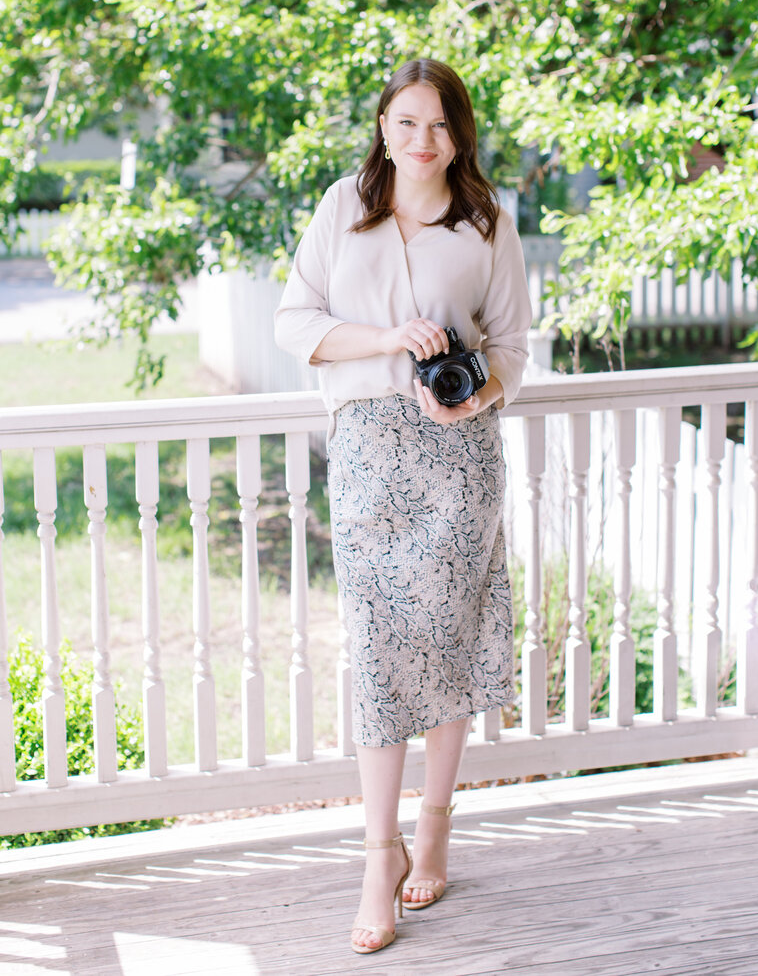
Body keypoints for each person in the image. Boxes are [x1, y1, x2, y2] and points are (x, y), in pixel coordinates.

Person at [274, 58, 532, 954]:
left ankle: (434, 827)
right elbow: (295, 321)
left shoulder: (487, 220)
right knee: (380, 653)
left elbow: (512, 348)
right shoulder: (343, 207)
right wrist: (391, 340)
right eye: (407, 121)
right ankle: (377, 855)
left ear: (460, 134)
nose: (423, 141)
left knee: (450, 643)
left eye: (440, 125)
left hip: (460, 456)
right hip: (368, 455)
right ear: (383, 125)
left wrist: (473, 391)